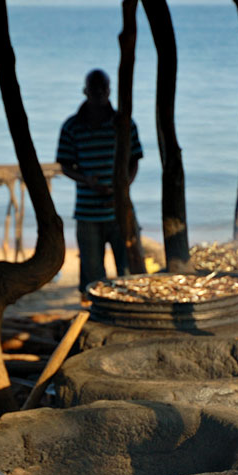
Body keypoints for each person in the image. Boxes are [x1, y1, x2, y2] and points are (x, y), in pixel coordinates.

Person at [56, 69, 143, 302]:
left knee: (128, 271)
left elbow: (134, 160)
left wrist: (122, 189)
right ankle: (94, 314)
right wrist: (87, 180)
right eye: (94, 90)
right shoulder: (72, 127)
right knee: (92, 275)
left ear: (109, 90)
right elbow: (65, 165)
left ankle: (128, 309)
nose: (99, 94)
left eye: (103, 89)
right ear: (86, 92)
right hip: (88, 213)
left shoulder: (123, 124)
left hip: (120, 209)